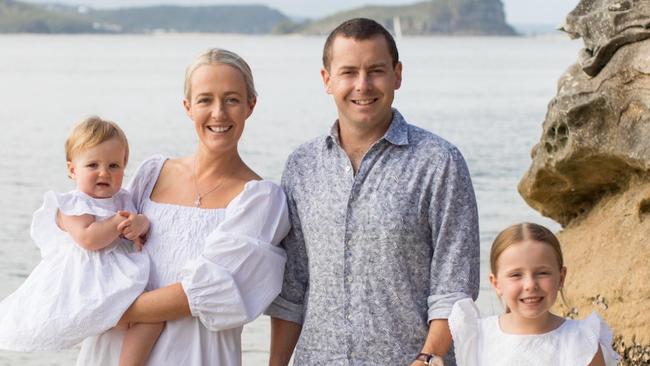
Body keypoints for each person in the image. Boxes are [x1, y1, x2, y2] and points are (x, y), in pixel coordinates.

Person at [266, 18, 480, 366]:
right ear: (327, 80)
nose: (362, 85)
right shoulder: (301, 165)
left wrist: (427, 358)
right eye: (349, 72)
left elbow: (454, 289)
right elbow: (293, 288)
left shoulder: (440, 162)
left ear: (397, 75)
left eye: (375, 71)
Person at [76, 48, 290, 366]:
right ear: (188, 107)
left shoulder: (262, 200)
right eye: (205, 100)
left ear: (250, 105)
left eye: (231, 99)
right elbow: (105, 247)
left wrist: (105, 310)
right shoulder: (152, 173)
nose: (218, 113)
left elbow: (203, 292)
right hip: (112, 352)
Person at [0, 117, 163, 366]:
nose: (103, 173)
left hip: (118, 274)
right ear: (72, 169)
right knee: (141, 317)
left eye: (114, 165)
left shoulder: (122, 199)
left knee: (151, 320)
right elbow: (89, 238)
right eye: (92, 165)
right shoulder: (72, 204)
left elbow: (139, 226)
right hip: (87, 279)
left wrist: (140, 223)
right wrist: (116, 223)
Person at [448, 223, 619, 365]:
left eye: (542, 273)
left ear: (561, 277)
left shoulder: (580, 341)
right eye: (516, 275)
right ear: (496, 283)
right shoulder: (477, 336)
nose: (530, 285)